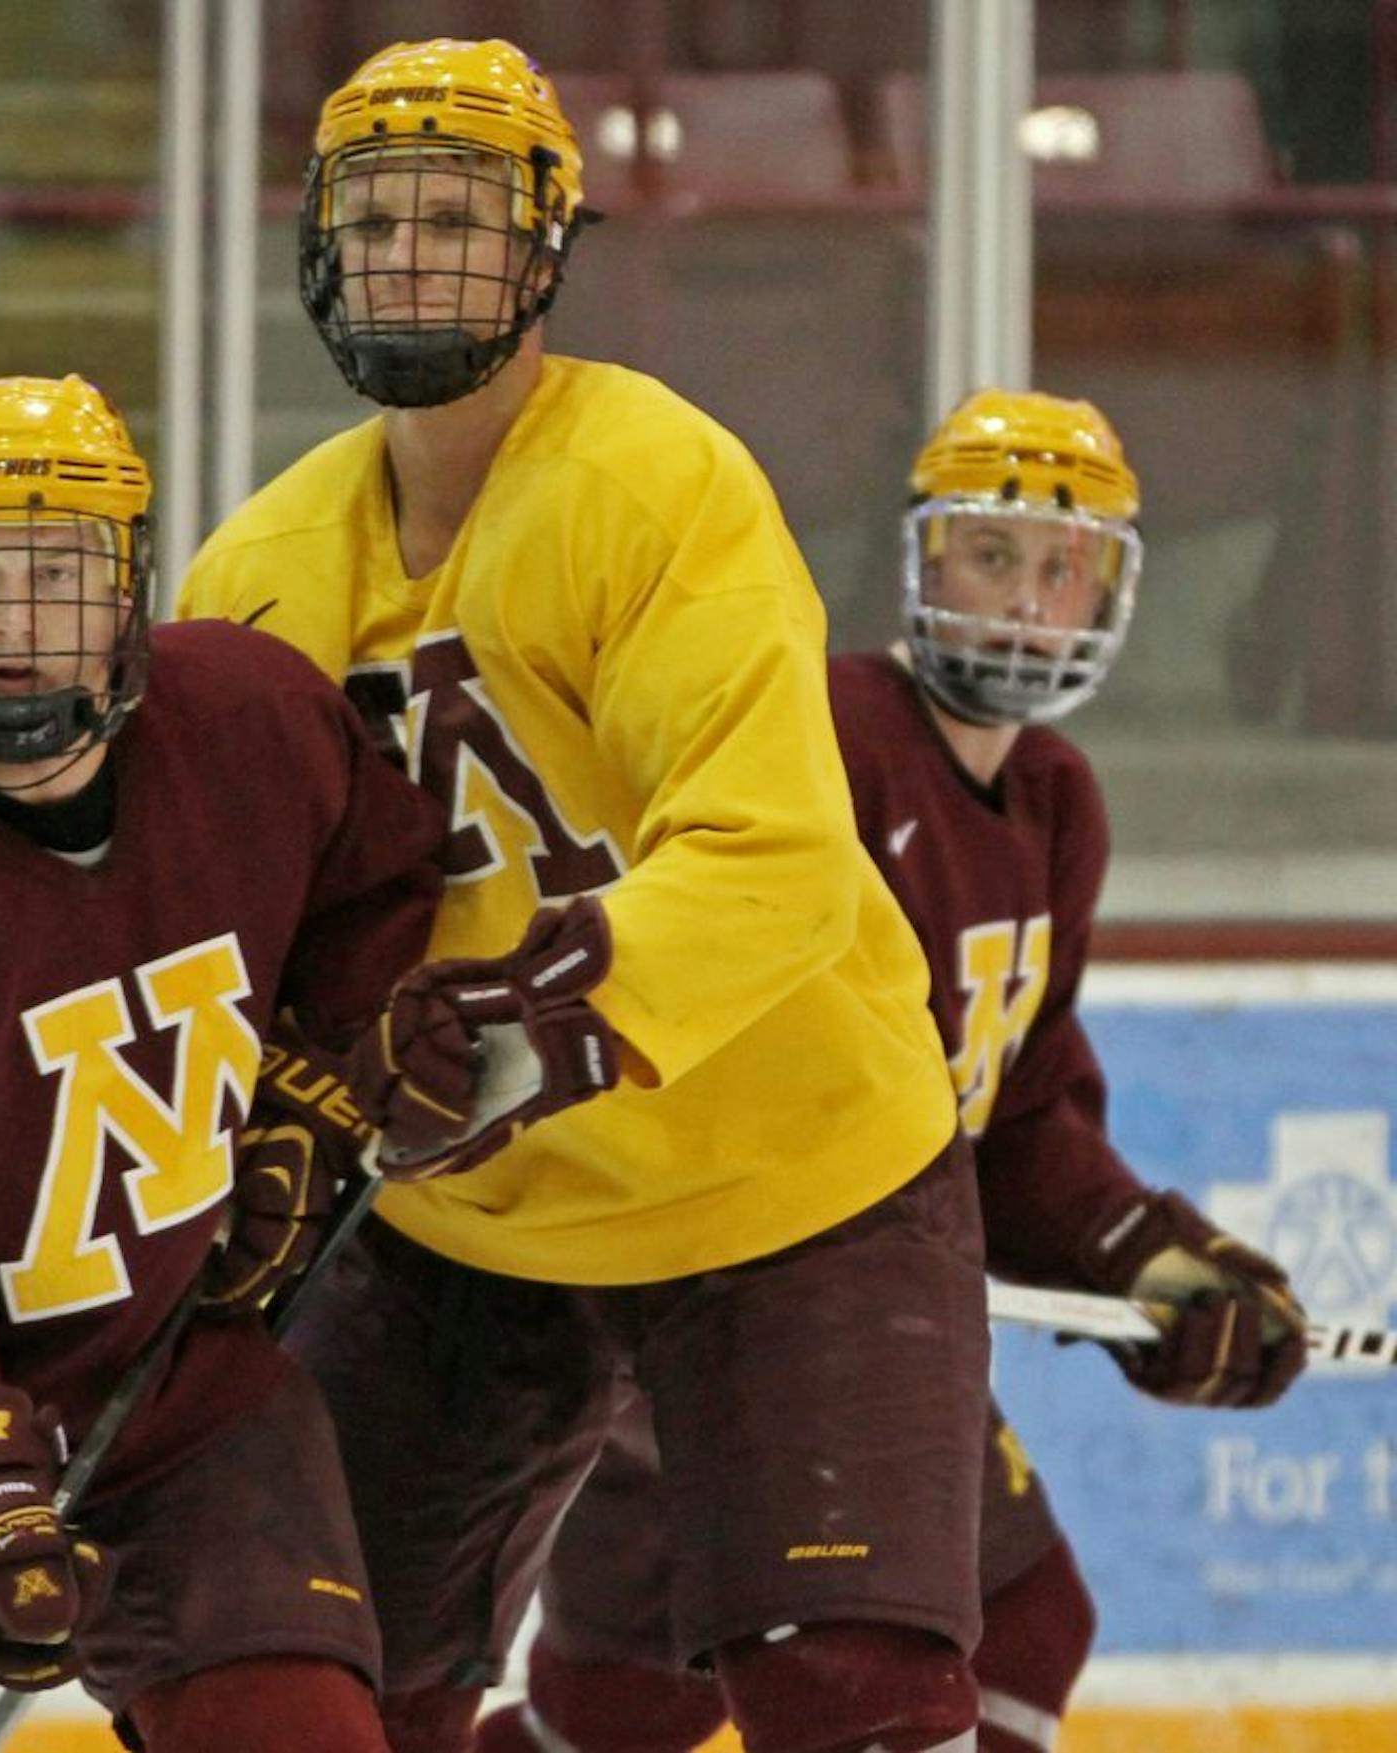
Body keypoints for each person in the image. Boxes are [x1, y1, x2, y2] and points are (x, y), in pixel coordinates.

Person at [175, 36, 997, 1753]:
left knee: (854, 1699)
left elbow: (766, 855)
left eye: (456, 220)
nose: (411, 258)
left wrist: (541, 1026)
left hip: (788, 1172)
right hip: (458, 1216)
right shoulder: (257, 575)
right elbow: (234, 931)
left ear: (544, 250)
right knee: (298, 1689)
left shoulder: (652, 481)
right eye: (377, 221)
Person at [0, 372, 609, 1753]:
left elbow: (372, 880)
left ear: (131, 587)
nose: (17, 628)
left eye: (59, 571)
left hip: (169, 1382)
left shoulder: (252, 722)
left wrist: (315, 1090)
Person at [477, 391, 1311, 1753]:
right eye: (991, 555)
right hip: (749, 1278)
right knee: (1021, 1614)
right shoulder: (829, 740)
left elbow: (1020, 1109)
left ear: (1110, 593)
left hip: (748, 1287)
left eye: (1063, 567)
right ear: (921, 562)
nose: (1026, 602)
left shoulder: (1053, 804)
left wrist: (1160, 1259)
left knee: (630, 1698)